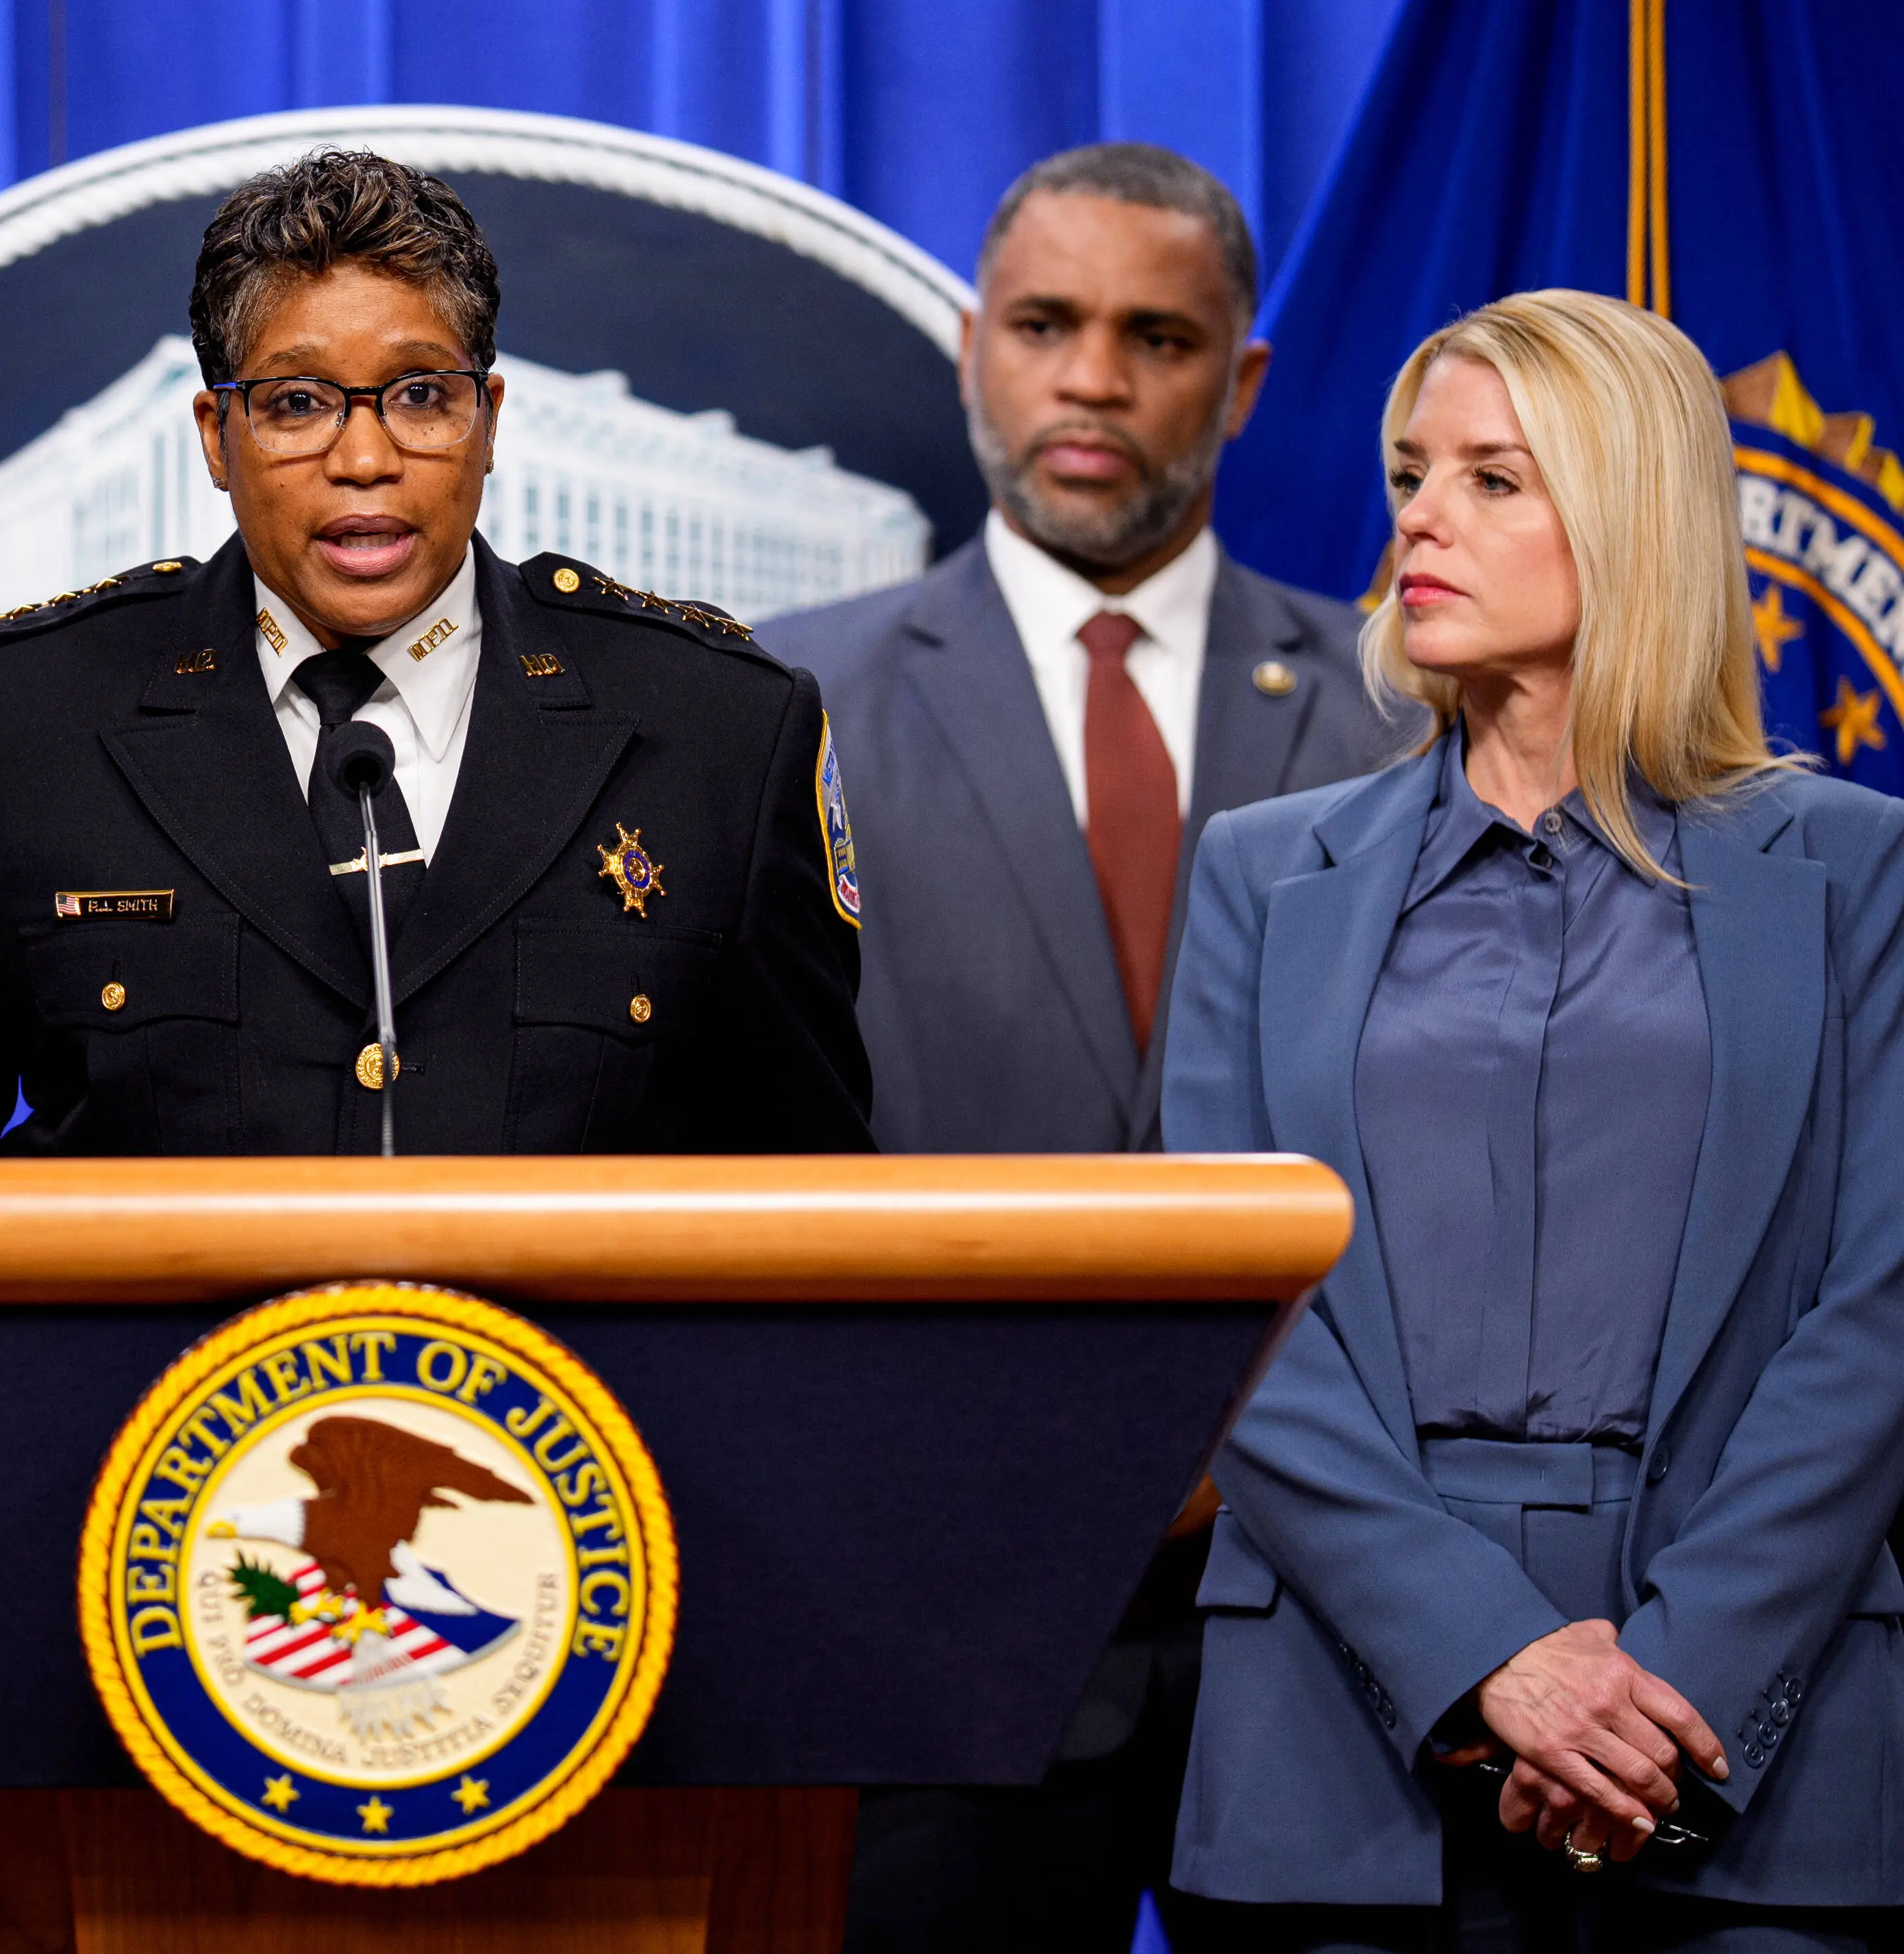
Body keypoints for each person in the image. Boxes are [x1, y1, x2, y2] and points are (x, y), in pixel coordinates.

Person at [0, 147, 873, 1909]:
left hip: (616, 1677)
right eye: (297, 403)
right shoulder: (19, 728)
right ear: (214, 435)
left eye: (415, 394)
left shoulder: (712, 731)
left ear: (492, 416)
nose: (364, 456)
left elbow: (824, 1230)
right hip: (117, 1671)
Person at [1164, 288, 1904, 1946]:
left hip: (1747, 1741)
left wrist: (1666, 1687)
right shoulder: (1263, 874)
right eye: (1413, 473)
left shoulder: (1859, 873)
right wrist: (1484, 1653)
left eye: (1494, 479)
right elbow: (1225, 1305)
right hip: (1334, 1732)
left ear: (1630, 511)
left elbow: (1879, 1320)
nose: (1420, 516)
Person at [770, 143, 1401, 1951]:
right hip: (926, 1638)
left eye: (1157, 335)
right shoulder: (772, 706)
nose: (1097, 380)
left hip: (1338, 1631)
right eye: (1046, 326)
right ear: (974, 347)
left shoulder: (1405, 712)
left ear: (1246, 379)